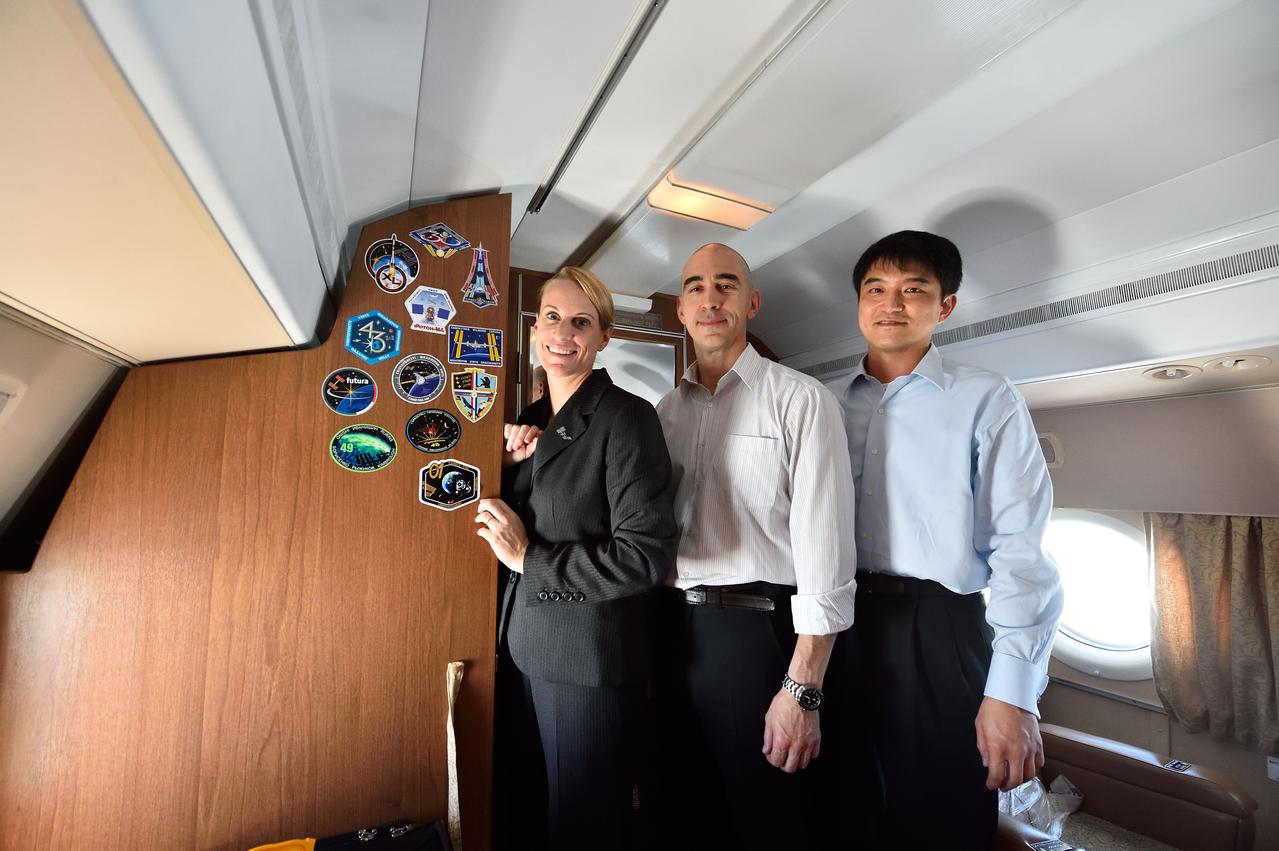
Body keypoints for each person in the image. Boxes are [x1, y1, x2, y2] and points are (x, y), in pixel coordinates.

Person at [840, 230, 1063, 848]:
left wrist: (1012, 694)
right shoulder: (824, 403)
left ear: (945, 307)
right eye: (875, 289)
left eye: (913, 290)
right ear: (858, 303)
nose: (891, 303)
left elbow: (1020, 548)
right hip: (840, 619)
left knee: (941, 812)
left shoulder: (987, 397)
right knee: (845, 802)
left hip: (938, 625)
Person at [654, 243, 867, 849]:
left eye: (726, 285)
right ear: (680, 309)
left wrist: (802, 688)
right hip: (674, 633)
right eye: (695, 287)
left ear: (751, 303)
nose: (710, 299)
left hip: (758, 633)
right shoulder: (664, 413)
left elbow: (826, 552)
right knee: (689, 813)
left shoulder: (801, 399)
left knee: (769, 818)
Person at [476, 266, 677, 851]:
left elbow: (644, 555)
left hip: (586, 663)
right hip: (519, 651)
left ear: (604, 336)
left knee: (585, 826)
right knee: (526, 818)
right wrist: (501, 467)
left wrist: (529, 560)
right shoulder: (529, 420)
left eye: (582, 322)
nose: (564, 333)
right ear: (535, 328)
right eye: (553, 318)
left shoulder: (626, 416)